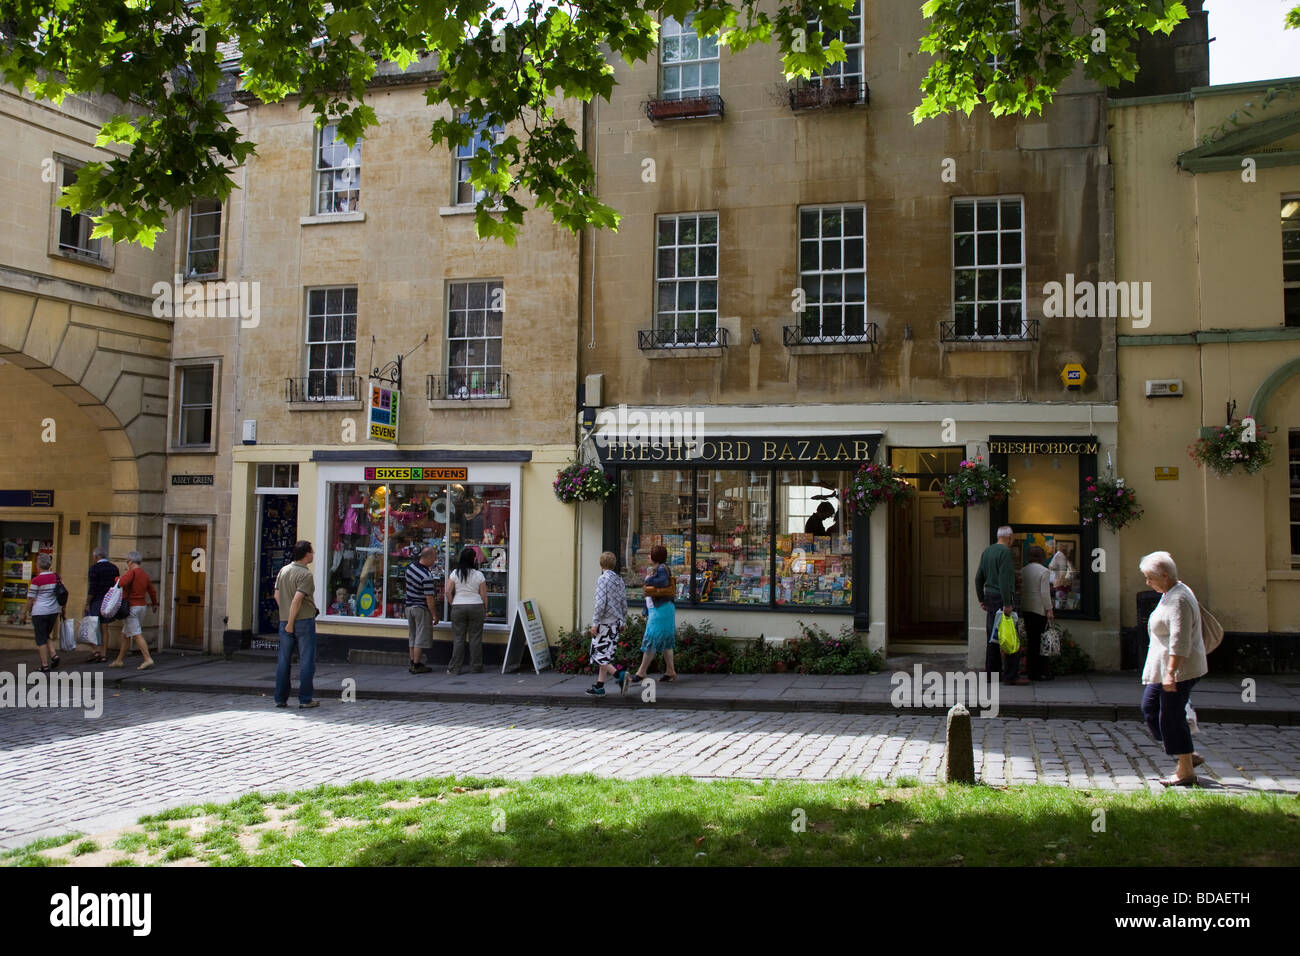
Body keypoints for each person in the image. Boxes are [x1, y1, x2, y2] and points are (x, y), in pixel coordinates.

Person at [1139, 551, 1208, 787]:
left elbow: (1180, 640)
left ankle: (1185, 770)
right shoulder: (1169, 592)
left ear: (1165, 575)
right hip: (1164, 667)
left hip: (1179, 669)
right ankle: (1185, 755)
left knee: (1171, 715)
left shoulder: (1178, 598)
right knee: (1151, 708)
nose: (1147, 582)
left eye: (1150, 578)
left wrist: (1171, 673)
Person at [975, 525, 1026, 684]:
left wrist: (981, 598)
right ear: (1009, 537)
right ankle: (1011, 675)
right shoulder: (1005, 552)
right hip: (1001, 598)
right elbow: (1005, 580)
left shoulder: (987, 551)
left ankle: (992, 674)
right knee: (1010, 636)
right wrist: (1007, 603)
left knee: (993, 637)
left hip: (989, 597)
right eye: (1013, 538)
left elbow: (978, 578)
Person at [274, 540, 319, 708]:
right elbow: (297, 600)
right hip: (302, 621)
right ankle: (305, 698)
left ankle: (280, 698)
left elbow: (277, 595)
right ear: (306, 554)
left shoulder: (283, 571)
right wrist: (291, 622)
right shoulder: (305, 575)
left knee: (284, 660)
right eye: (312, 552)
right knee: (307, 660)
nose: (313, 555)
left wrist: (286, 614)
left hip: (285, 619)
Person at [586, 551, 630, 697]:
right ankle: (599, 686)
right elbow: (623, 602)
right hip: (615, 623)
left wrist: (595, 623)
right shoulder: (619, 579)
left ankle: (619, 675)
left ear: (601, 564)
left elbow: (600, 603)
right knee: (605, 655)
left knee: (597, 654)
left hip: (604, 623)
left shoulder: (602, 579)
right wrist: (623, 620)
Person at [632, 545, 677, 683]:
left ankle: (641, 672)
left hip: (661, 610)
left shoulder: (662, 569)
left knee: (651, 638)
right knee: (665, 641)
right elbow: (650, 595)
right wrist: (646, 610)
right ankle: (670, 671)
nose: (648, 557)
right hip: (660, 609)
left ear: (654, 557)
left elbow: (662, 582)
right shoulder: (657, 569)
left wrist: (648, 579)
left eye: (650, 554)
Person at [109, 551, 157, 671]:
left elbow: (121, 583)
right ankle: (119, 660)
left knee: (136, 634)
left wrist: (117, 578)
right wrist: (154, 604)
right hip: (142, 607)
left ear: (131, 561)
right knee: (125, 634)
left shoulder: (132, 573)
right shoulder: (144, 575)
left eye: (127, 561)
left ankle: (147, 658)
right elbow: (152, 591)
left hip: (132, 607)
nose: (127, 563)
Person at [445, 546, 487, 675]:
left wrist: (453, 603)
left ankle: (455, 668)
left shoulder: (455, 573)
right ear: (473, 560)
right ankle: (476, 667)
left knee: (458, 639)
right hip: (476, 606)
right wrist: (485, 608)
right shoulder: (479, 575)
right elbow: (484, 595)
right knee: (475, 638)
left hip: (459, 606)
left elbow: (447, 591)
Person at [20, 553, 63, 673]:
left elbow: (30, 599)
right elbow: (61, 592)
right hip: (53, 611)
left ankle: (44, 665)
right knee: (45, 634)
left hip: (40, 612)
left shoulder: (36, 580)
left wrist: (24, 613)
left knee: (40, 639)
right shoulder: (57, 577)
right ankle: (54, 656)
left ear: (38, 566)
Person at [404, 547, 441, 674]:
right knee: (420, 636)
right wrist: (434, 615)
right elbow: (429, 598)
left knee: (413, 635)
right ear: (428, 557)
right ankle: (417, 664)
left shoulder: (410, 568)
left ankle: (412, 661)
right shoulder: (426, 576)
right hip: (420, 608)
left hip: (409, 606)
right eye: (434, 558)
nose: (435, 560)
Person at [1020, 545, 1054, 681]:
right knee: (1040, 642)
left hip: (1026, 607)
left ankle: (1030, 671)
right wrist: (1049, 609)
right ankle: (1040, 672)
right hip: (1039, 609)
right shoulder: (1044, 571)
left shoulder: (1023, 570)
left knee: (1031, 641)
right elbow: (1045, 593)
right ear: (1042, 557)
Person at [84, 547, 119, 663]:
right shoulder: (114, 568)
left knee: (90, 627)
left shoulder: (94, 569)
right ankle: (104, 654)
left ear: (96, 557)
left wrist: (87, 603)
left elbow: (92, 588)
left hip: (97, 601)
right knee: (105, 628)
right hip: (109, 601)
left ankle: (96, 651)